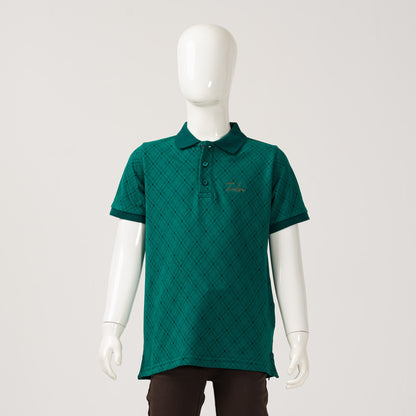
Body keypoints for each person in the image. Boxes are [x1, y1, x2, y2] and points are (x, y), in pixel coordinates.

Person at [99, 23, 311, 416]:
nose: (200, 68)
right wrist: (112, 327)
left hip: (245, 340)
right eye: (190, 57)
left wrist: (298, 334)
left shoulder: (267, 163)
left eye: (215, 57)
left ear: (233, 68)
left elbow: (287, 261)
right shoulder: (148, 162)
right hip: (173, 339)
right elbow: (127, 253)